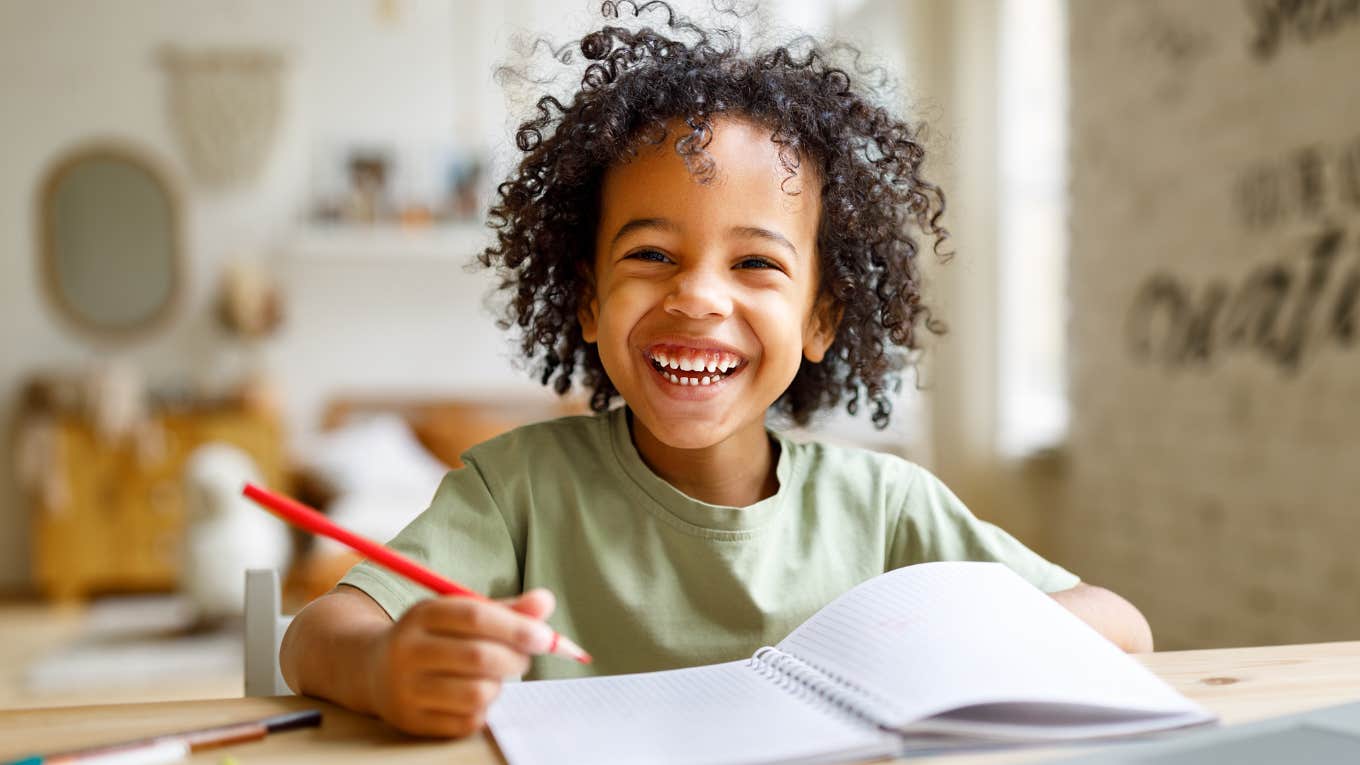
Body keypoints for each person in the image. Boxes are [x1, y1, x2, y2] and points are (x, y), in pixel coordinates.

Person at [280, 1, 1153, 739]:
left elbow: (1123, 628)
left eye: (756, 265)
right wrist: (386, 664)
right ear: (588, 301)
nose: (698, 297)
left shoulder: (889, 508)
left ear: (820, 319)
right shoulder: (516, 491)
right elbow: (317, 633)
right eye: (653, 253)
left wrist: (940, 643)